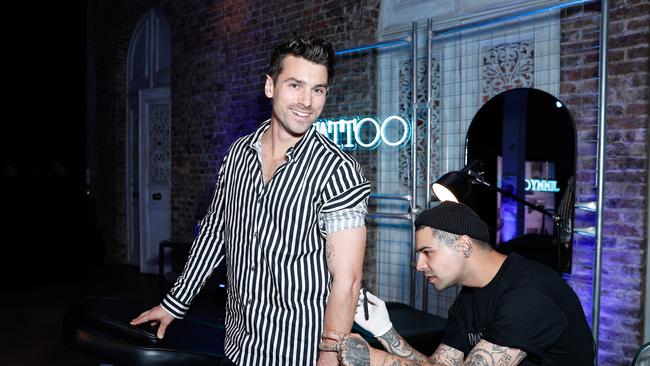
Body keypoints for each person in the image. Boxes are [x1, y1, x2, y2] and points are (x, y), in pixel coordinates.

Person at [131, 34, 370, 366]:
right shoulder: (237, 156)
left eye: (318, 90)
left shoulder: (337, 171)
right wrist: (174, 304)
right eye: (295, 85)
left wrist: (328, 360)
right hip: (239, 345)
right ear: (270, 86)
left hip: (298, 353)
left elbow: (348, 280)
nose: (307, 101)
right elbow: (215, 234)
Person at [321, 201, 594, 365]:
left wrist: (376, 360)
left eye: (427, 252)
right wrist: (385, 331)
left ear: (463, 246)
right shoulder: (470, 298)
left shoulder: (528, 296)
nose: (419, 265)